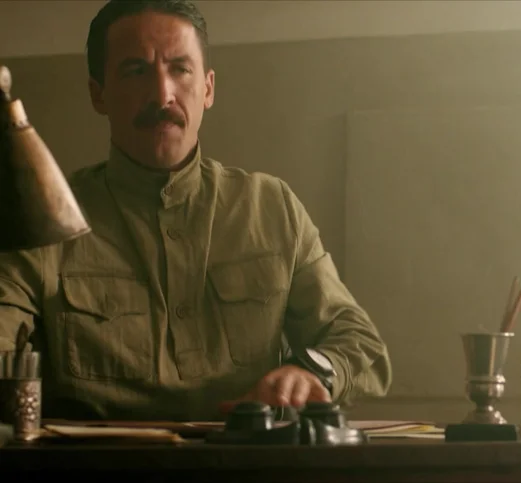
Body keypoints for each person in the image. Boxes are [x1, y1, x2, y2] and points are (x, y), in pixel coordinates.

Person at [0, 0, 391, 421]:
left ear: (207, 88)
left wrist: (310, 371)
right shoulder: (42, 220)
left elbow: (361, 345)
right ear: (99, 94)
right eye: (135, 71)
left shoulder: (271, 207)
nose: (162, 95)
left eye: (180, 69)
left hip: (244, 455)